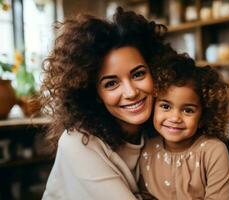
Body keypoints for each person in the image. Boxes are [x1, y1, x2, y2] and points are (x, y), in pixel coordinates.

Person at [41, 7, 172, 199]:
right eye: (111, 83)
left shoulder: (159, 128)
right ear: (94, 94)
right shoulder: (77, 142)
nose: (131, 92)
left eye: (138, 74)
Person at [139, 53, 229, 200]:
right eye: (165, 106)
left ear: (203, 117)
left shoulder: (213, 151)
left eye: (188, 110)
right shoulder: (146, 150)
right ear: (153, 106)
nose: (175, 118)